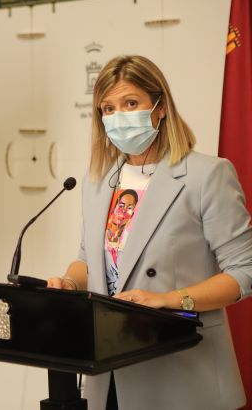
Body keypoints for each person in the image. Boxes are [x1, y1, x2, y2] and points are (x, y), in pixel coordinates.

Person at [47, 55, 252, 410]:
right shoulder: (98, 180)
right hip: (109, 371)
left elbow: (245, 271)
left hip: (182, 372)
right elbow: (89, 260)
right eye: (108, 109)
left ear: (160, 107)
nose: (119, 116)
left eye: (131, 103)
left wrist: (168, 300)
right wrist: (68, 281)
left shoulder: (207, 175)